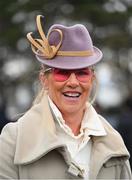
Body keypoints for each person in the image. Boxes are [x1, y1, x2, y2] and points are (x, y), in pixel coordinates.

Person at [0, 15, 131, 179]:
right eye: (62, 73)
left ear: (92, 79)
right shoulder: (14, 140)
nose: (73, 82)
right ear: (44, 79)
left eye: (82, 73)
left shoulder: (113, 142)